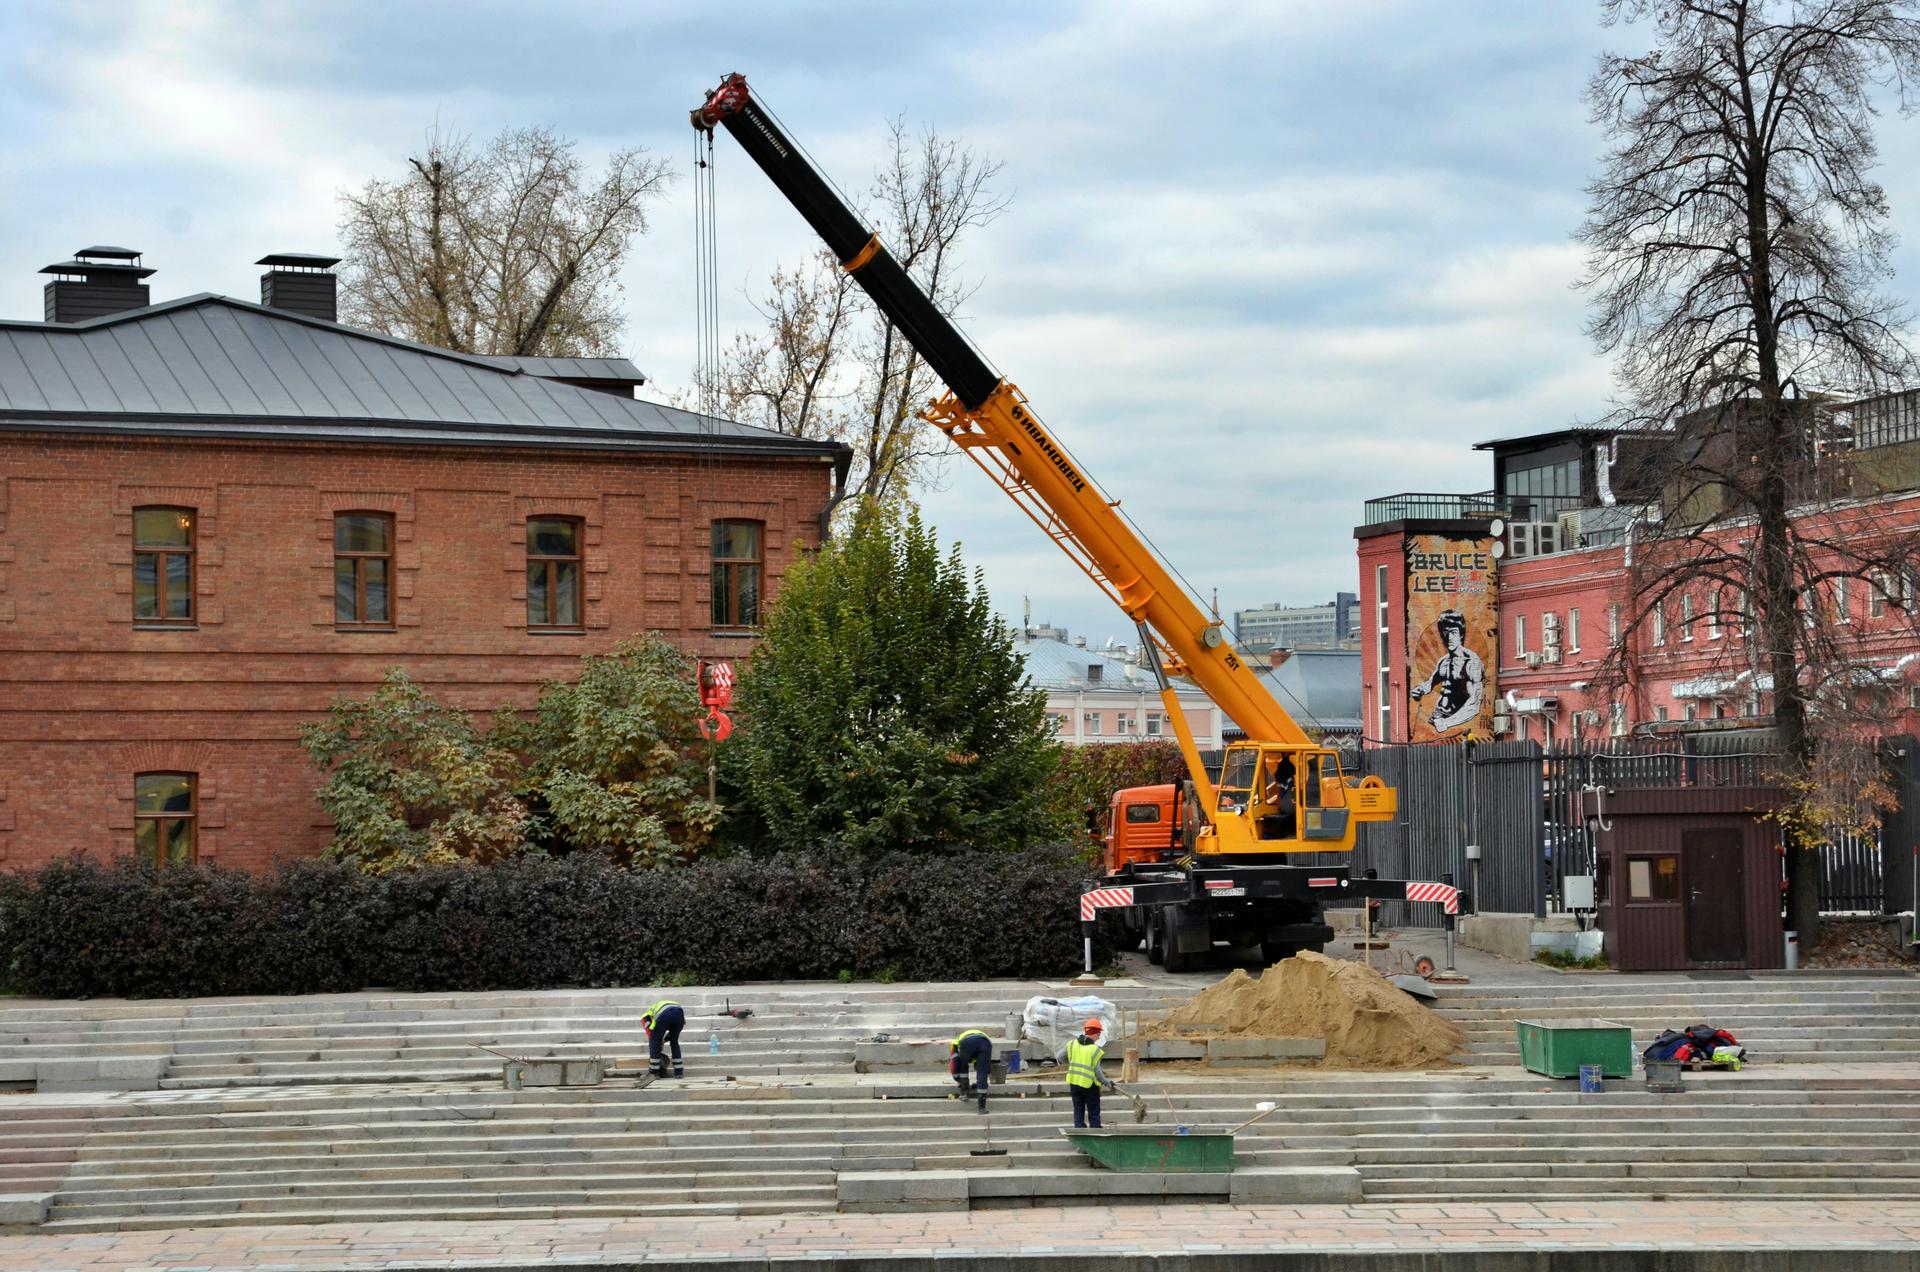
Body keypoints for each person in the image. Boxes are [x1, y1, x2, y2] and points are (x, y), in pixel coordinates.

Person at [1409, 609, 1485, 735]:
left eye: (1454, 632)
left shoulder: (1472, 662)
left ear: (1461, 634)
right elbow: (1430, 683)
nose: (1449, 637)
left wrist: (1447, 723)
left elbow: (1474, 704)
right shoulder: (1443, 661)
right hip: (1437, 719)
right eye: (1445, 631)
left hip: (1457, 722)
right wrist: (1419, 690)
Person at [1059, 1018, 1115, 1128]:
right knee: (1093, 1111)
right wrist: (1106, 1082)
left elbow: (1060, 1057)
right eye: (1099, 1034)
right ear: (1094, 1033)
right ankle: (1095, 1134)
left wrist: (1072, 1063)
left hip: (1074, 1083)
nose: (1099, 1037)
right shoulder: (1094, 1049)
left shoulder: (1072, 1044)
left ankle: (1080, 1132)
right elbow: (1097, 1071)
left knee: (1078, 1109)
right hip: (1089, 1085)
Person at [950, 1028, 993, 1113]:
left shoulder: (955, 1043)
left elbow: (954, 1065)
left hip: (967, 1043)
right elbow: (987, 1069)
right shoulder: (983, 1039)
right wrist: (980, 1083)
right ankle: (981, 1108)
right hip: (985, 1043)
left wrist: (958, 1081)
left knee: (962, 1065)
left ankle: (964, 1093)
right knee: (982, 1073)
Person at [642, 998, 686, 1079]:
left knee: (654, 1042)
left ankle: (654, 1073)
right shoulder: (659, 1007)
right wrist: (664, 1040)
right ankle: (679, 1072)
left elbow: (651, 1033)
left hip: (665, 1015)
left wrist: (657, 1042)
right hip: (679, 1014)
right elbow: (672, 1033)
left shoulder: (646, 1015)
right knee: (674, 1042)